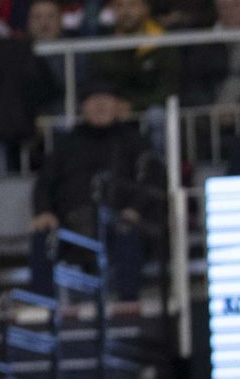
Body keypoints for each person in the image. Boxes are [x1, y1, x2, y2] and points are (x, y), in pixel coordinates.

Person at [29, 83, 163, 300]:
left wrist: (134, 209)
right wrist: (43, 211)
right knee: (43, 235)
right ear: (83, 107)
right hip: (71, 225)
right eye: (93, 99)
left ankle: (127, 304)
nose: (100, 104)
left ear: (117, 105)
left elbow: (152, 180)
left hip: (120, 220)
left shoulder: (135, 141)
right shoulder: (66, 144)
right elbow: (44, 183)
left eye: (106, 98)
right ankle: (40, 308)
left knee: (128, 233)